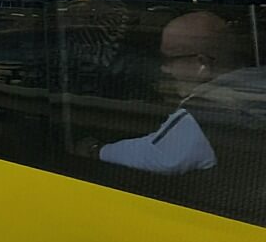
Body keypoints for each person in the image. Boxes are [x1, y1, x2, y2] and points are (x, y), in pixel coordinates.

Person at [91, 11, 234, 175]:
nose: (164, 68)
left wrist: (96, 150)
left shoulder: (207, 109)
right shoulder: (254, 83)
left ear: (201, 64)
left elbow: (160, 157)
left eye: (169, 60)